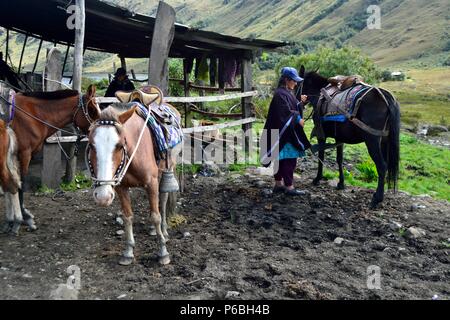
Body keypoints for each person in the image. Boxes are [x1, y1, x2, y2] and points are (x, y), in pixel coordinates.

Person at [261, 67, 311, 196]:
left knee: (281, 159)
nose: (296, 83)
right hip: (285, 134)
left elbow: (291, 107)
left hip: (282, 133)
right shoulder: (280, 94)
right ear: (287, 80)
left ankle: (279, 184)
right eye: (294, 80)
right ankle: (289, 187)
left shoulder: (285, 93)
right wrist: (298, 119)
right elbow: (285, 113)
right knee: (289, 160)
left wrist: (301, 103)